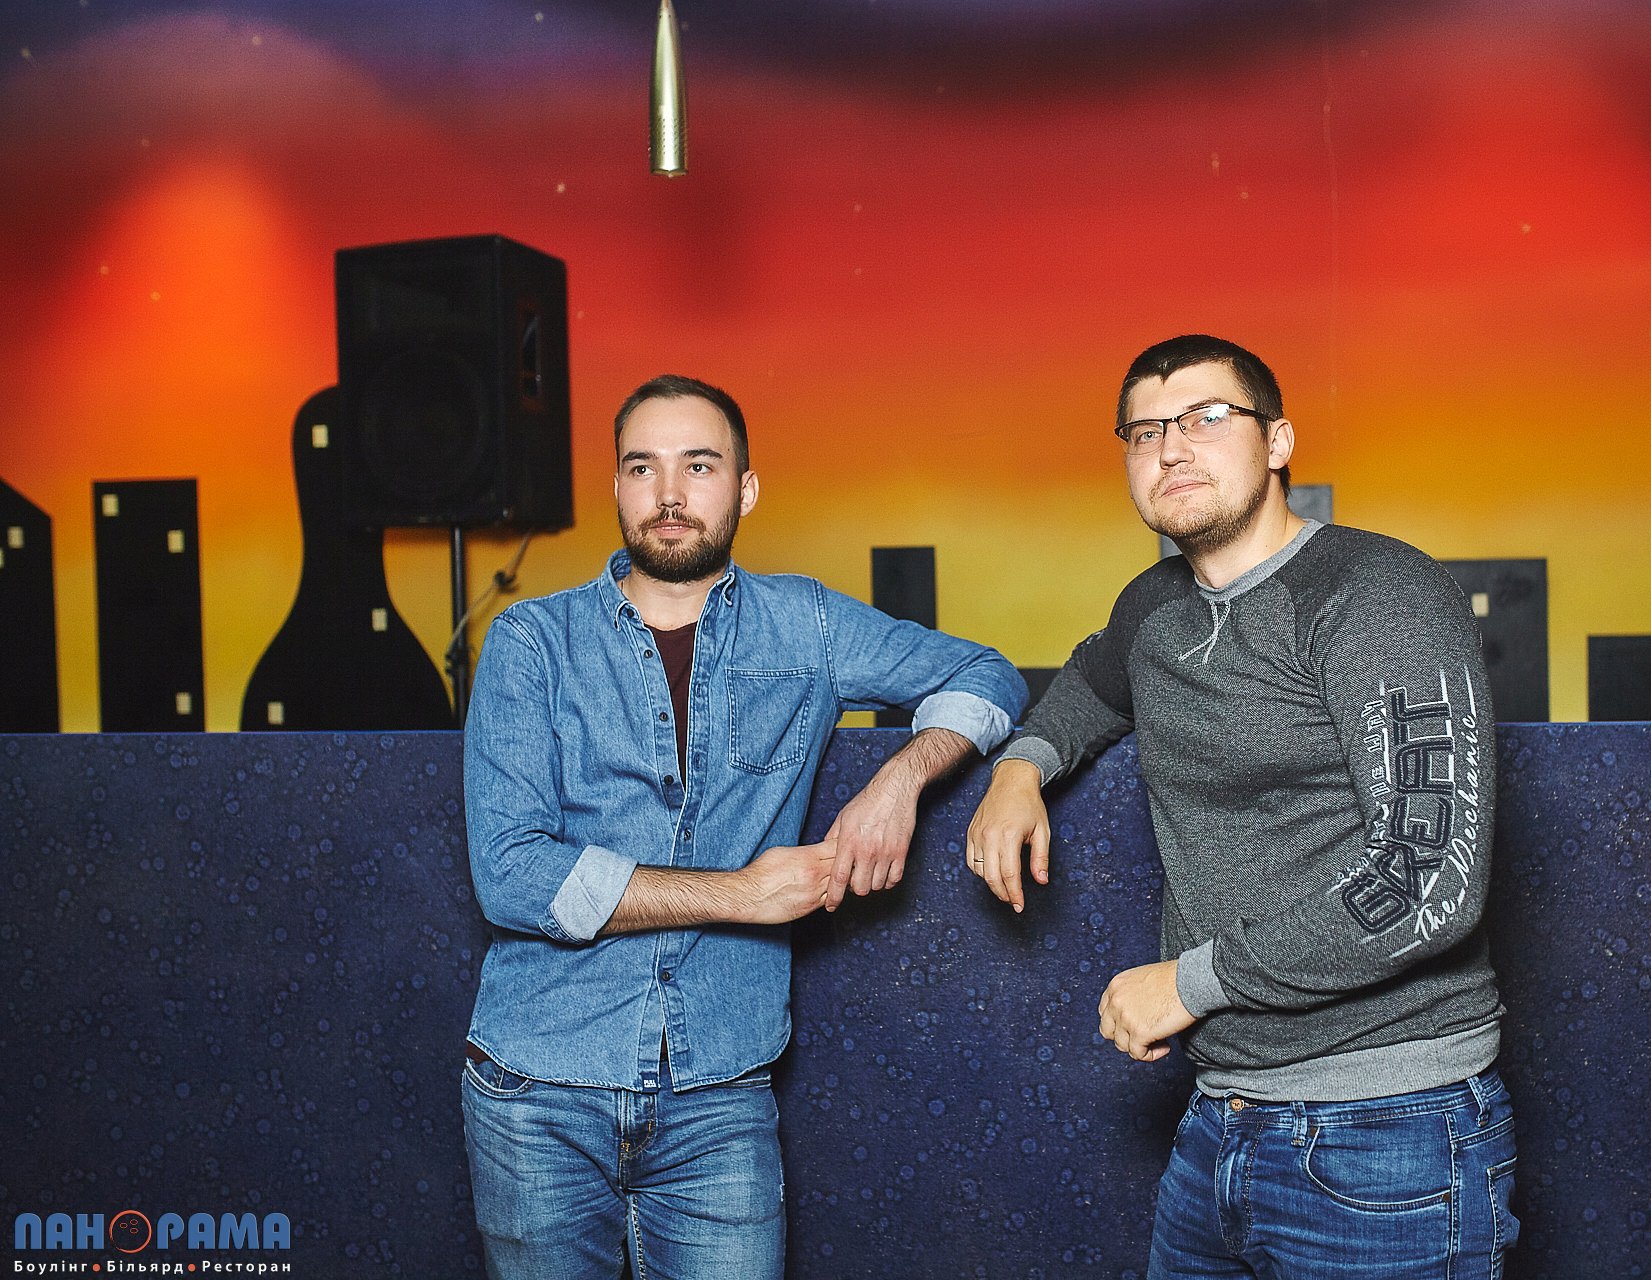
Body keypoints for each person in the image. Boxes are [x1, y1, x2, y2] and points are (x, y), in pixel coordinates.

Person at [965, 335, 1516, 1279]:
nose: (1172, 447)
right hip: (1221, 1117)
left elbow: (1429, 884)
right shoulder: (1155, 606)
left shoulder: (1377, 594)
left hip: (1390, 1130)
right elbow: (1091, 684)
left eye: (1207, 417)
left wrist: (1189, 985)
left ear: (1279, 441)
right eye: (1145, 431)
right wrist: (1019, 769)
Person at [461, 374, 1026, 1280]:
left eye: (699, 466)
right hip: (537, 1088)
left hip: (718, 1093)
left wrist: (900, 780)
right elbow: (512, 875)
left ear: (746, 488)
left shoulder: (806, 624)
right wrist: (743, 895)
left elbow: (988, 675)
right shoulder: (533, 641)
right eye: (642, 468)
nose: (669, 494)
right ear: (617, 487)